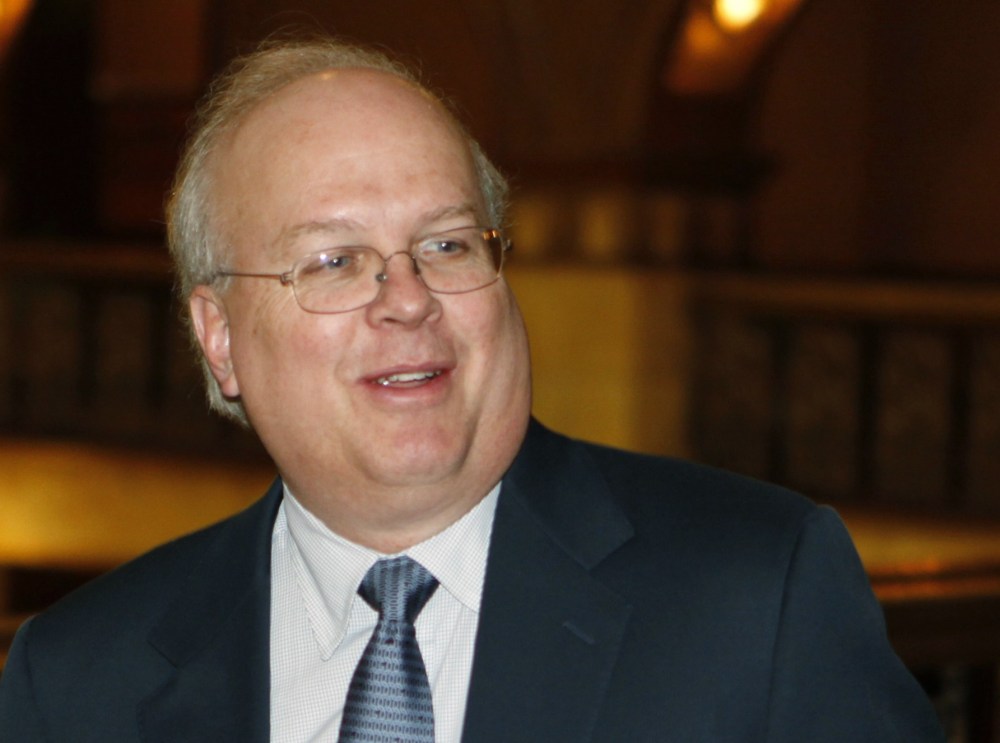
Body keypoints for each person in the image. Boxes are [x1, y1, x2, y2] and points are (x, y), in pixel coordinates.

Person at [0, 37, 944, 742]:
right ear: (219, 338)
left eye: (447, 244)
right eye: (333, 261)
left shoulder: (758, 597)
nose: (407, 299)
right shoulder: (78, 681)